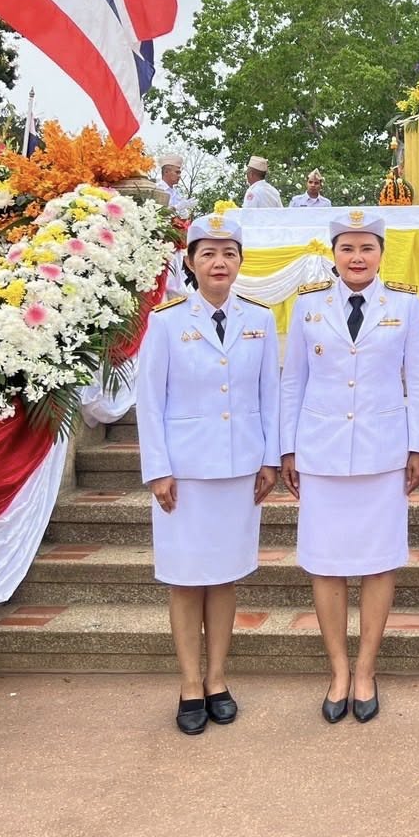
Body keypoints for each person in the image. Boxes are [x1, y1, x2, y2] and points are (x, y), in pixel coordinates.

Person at [279, 210, 419, 724]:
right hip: (321, 451)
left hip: (382, 451)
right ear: (334, 253)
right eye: (347, 249)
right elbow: (292, 381)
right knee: (325, 563)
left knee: (379, 561)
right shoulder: (307, 306)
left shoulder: (406, 305)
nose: (357, 258)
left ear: (381, 253)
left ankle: (366, 669)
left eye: (367, 248)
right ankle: (338, 669)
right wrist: (287, 449)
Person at [137, 212, 280, 735]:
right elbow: (149, 402)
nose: (219, 263)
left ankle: (218, 678)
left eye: (229, 254)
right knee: (184, 580)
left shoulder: (260, 319)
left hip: (241, 468)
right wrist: (158, 469)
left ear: (241, 262)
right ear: (191, 262)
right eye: (208, 254)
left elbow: (270, 396)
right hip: (185, 473)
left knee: (224, 578)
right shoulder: (168, 320)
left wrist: (269, 458)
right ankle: (189, 683)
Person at [155, 150, 194, 217]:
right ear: (166, 172)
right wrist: (175, 208)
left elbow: (184, 216)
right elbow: (157, 214)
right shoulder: (156, 189)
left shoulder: (177, 192)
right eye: (177, 172)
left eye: (179, 173)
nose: (179, 176)